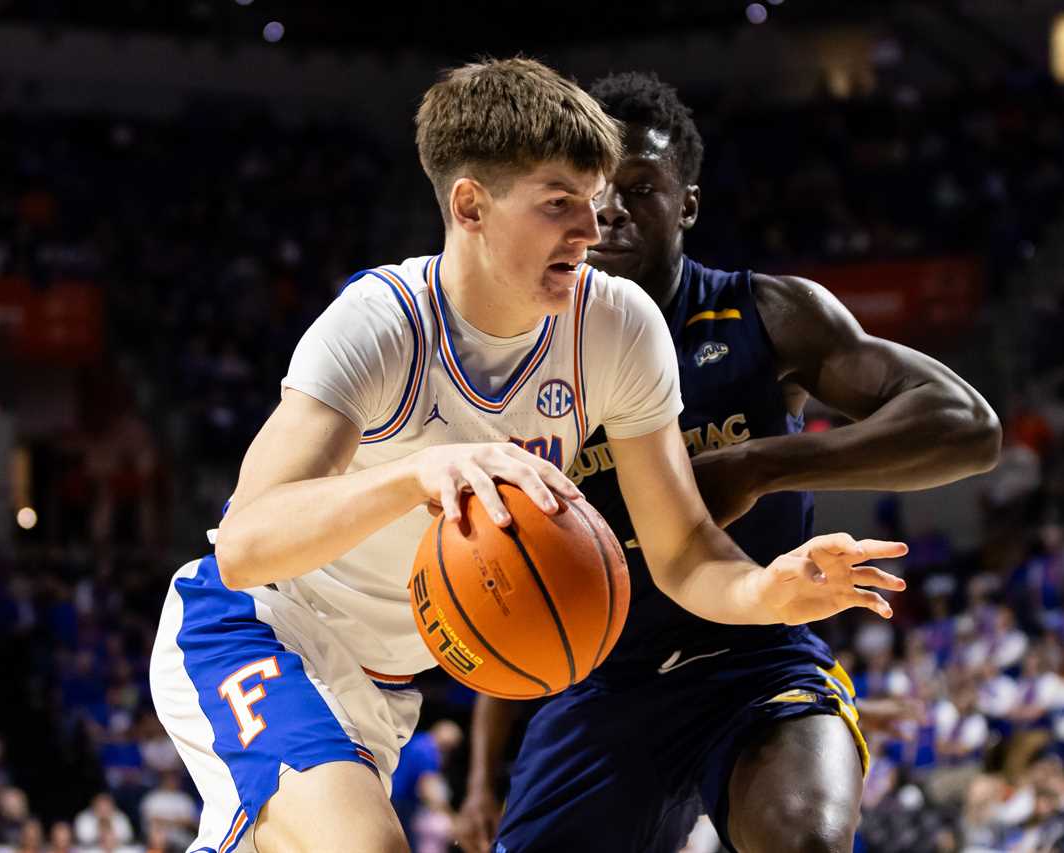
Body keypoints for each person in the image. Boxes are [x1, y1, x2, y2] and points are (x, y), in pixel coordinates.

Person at [148, 58, 906, 853]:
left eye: (596, 197)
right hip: (258, 624)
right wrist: (412, 476)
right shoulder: (381, 325)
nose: (592, 226)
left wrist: (766, 588)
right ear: (470, 204)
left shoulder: (617, 327)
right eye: (559, 205)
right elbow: (242, 546)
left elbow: (681, 549)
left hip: (385, 683)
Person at [454, 72, 1001, 853]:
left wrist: (759, 465)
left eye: (640, 187)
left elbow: (967, 425)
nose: (610, 209)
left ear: (687, 204)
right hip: (606, 680)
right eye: (592, 189)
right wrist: (481, 778)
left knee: (803, 837)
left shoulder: (765, 314)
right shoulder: (521, 361)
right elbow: (513, 578)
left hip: (760, 651)